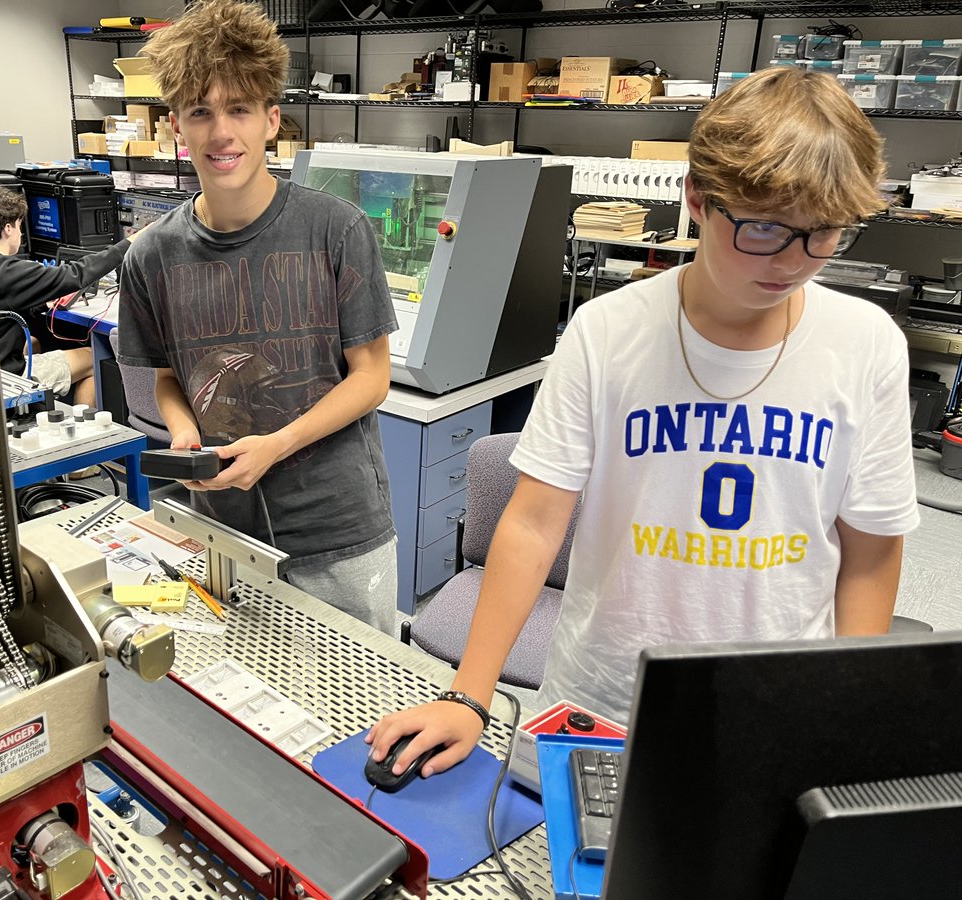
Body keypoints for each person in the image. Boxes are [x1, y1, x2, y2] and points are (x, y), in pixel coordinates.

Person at [367, 66, 921, 778]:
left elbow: (871, 552)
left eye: (823, 235)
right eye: (762, 229)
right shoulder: (607, 333)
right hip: (601, 701)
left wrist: (846, 704)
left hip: (774, 708)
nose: (792, 262)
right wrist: (470, 696)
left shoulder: (866, 344)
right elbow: (534, 524)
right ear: (697, 198)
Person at [115, 0, 399, 634]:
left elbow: (371, 378)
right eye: (201, 112)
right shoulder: (152, 255)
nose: (222, 133)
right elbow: (166, 375)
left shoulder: (336, 229)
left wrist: (276, 446)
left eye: (240, 109)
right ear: (175, 126)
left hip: (338, 532)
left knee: (363, 716)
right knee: (249, 715)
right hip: (222, 527)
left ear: (272, 120)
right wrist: (183, 428)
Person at [0, 184, 137, 406]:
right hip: (1, 376)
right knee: (91, 358)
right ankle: (84, 426)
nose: (20, 233)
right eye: (20, 226)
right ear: (8, 228)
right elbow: (76, 274)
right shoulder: (6, 271)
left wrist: (37, 297)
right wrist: (129, 243)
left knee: (37, 343)